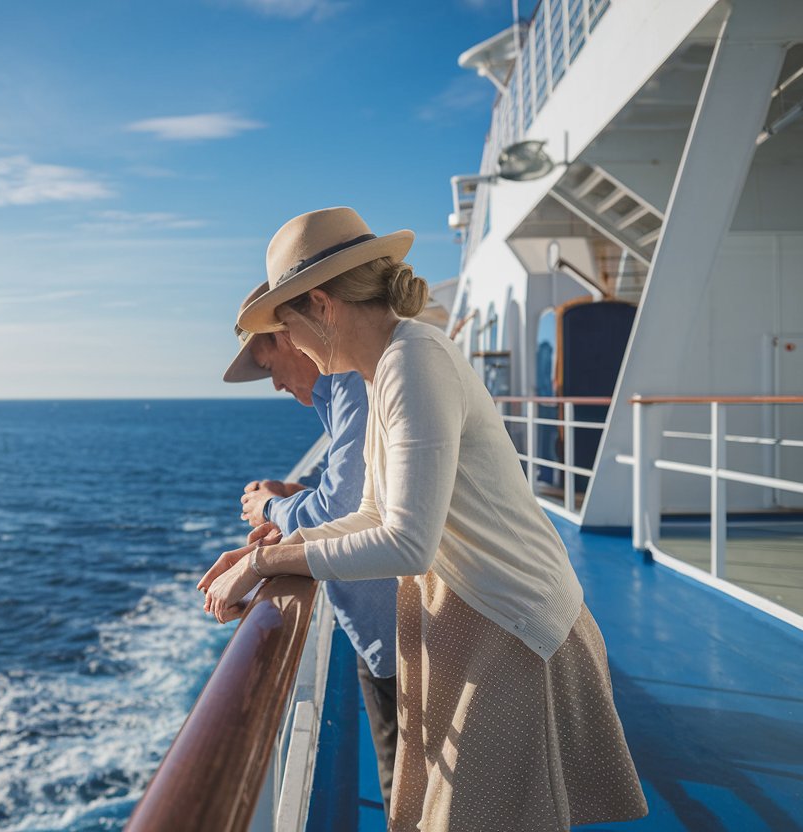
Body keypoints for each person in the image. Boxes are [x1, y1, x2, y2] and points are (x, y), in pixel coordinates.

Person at [200, 208, 647, 831]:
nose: (290, 345)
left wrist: (266, 559)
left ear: (323, 307)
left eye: (287, 324)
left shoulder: (414, 362)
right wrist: (265, 552)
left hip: (512, 633)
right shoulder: (389, 365)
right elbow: (371, 514)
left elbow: (406, 542)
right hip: (482, 627)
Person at [223, 281, 399, 812]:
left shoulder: (357, 382)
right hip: (383, 628)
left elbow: (343, 511)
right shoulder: (344, 389)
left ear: (292, 334)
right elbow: (354, 489)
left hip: (402, 631)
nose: (273, 383)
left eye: (267, 360)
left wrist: (269, 514)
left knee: (410, 797)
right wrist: (292, 497)